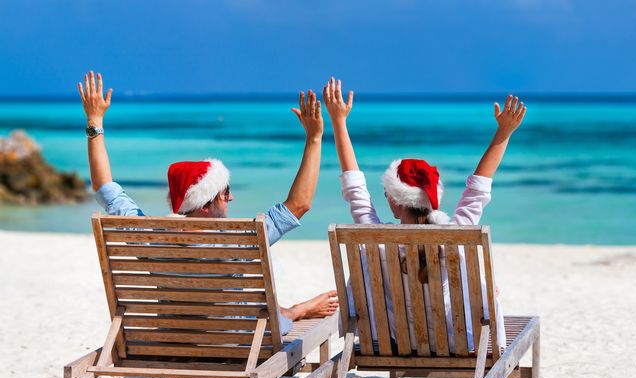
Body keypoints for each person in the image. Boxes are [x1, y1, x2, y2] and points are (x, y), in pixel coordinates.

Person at [78, 71, 338, 333]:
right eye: (225, 193)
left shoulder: (150, 237)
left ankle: (292, 310)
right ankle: (296, 311)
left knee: (255, 306)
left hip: (173, 340)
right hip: (232, 344)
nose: (231, 197)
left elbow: (104, 188)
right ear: (204, 205)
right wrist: (314, 138)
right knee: (265, 313)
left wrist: (94, 119)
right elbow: (300, 204)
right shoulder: (241, 240)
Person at [323, 76, 526, 353]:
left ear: (394, 201)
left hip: (394, 343)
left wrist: (338, 122)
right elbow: (478, 190)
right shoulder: (455, 237)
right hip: (455, 345)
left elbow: (355, 188)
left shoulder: (377, 242)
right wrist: (504, 133)